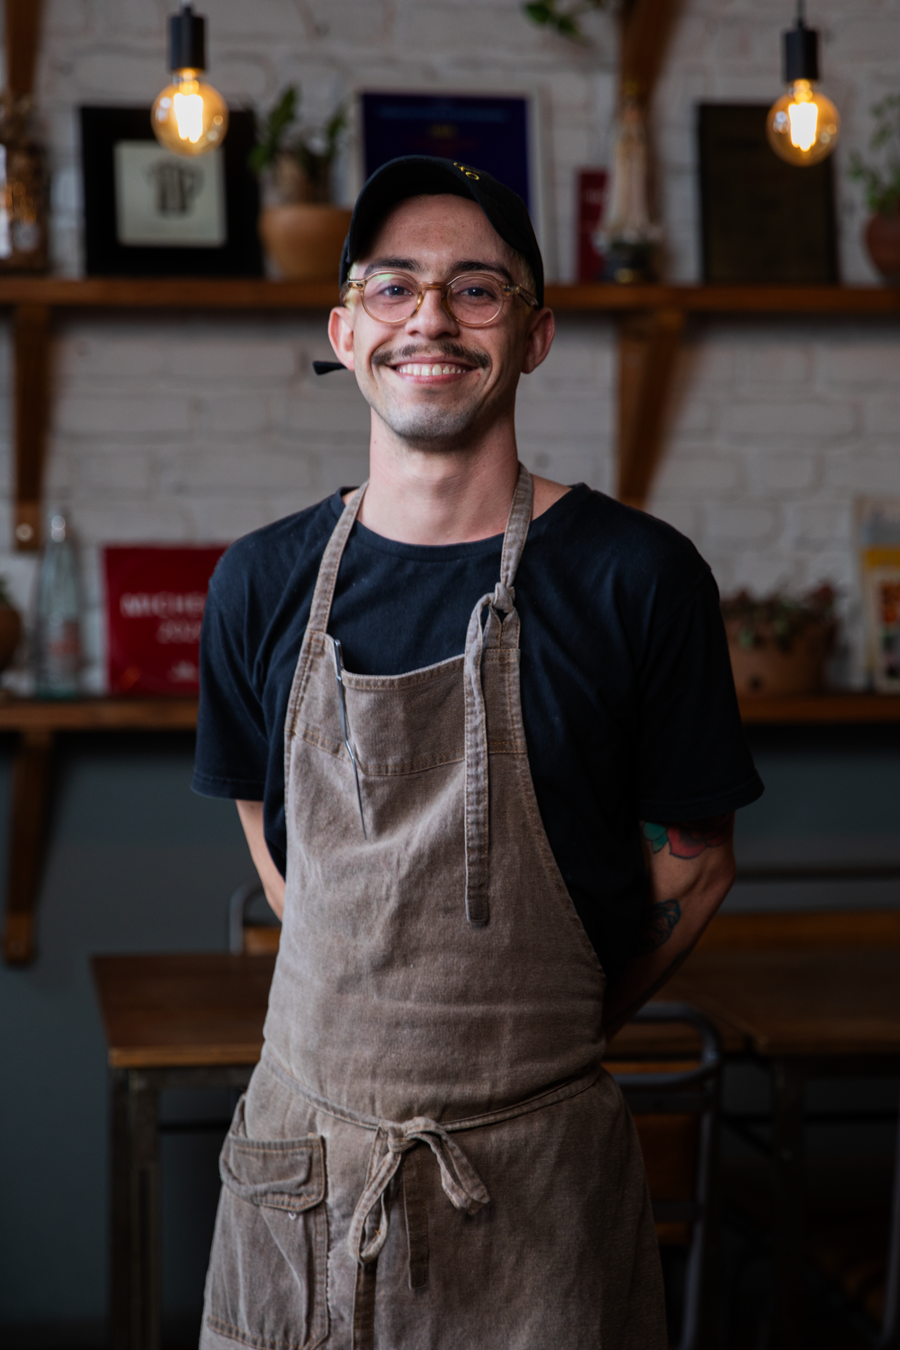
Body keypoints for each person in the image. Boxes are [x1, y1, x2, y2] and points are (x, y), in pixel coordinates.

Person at [193, 155, 763, 1350]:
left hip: (538, 1186)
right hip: (304, 1173)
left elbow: (696, 857)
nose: (432, 319)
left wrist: (532, 1049)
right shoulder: (259, 581)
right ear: (346, 330)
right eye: (394, 287)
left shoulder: (637, 578)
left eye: (478, 290)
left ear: (537, 335)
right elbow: (261, 806)